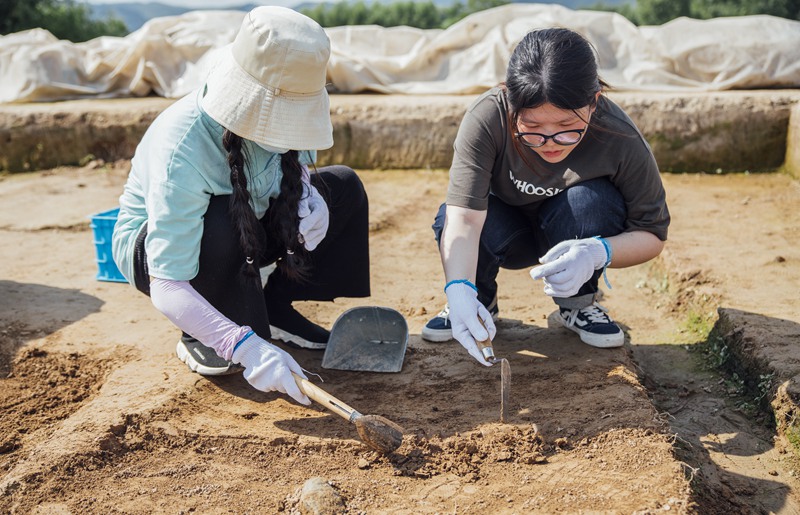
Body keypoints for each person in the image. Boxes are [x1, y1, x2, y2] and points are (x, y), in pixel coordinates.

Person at [112, 7, 369, 404]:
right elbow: (167, 283)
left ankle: (276, 305)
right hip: (168, 255)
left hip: (246, 225)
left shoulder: (289, 112)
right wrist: (242, 344)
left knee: (344, 187)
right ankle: (199, 330)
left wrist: (309, 194)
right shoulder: (182, 148)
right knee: (222, 217)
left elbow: (293, 162)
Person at [420, 27, 670, 366]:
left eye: (567, 127)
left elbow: (652, 234)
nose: (550, 141)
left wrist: (598, 252)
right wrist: (459, 286)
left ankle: (578, 305)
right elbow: (464, 217)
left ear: (594, 103)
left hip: (574, 232)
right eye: (533, 128)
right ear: (511, 101)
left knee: (592, 202)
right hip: (506, 231)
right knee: (449, 213)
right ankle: (478, 302)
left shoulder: (620, 138)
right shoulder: (486, 118)